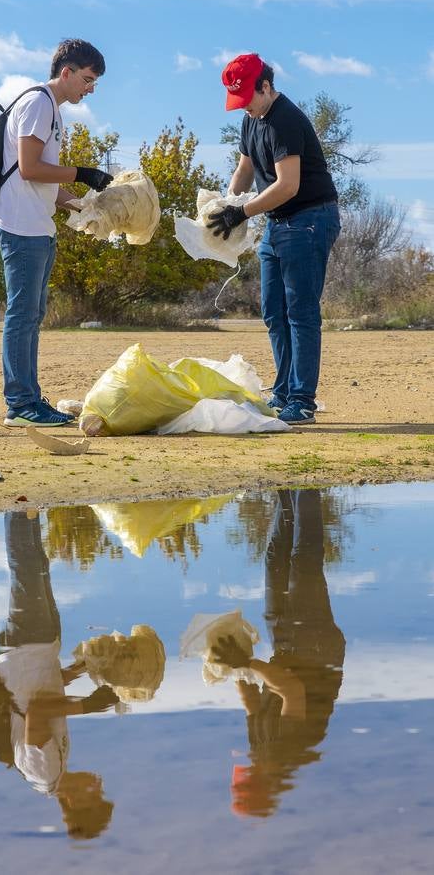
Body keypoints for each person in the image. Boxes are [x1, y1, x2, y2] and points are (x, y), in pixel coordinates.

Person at [0, 510, 117, 840]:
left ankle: (17, 503)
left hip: (24, 648)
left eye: (97, 795)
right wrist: (83, 669)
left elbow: (37, 712)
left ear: (76, 803)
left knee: (26, 569)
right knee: (38, 565)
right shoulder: (56, 768)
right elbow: (44, 694)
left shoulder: (43, 772)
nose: (98, 785)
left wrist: (88, 706)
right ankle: (27, 504)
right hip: (40, 648)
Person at [208, 53, 341, 425]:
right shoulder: (252, 120)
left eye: (247, 100)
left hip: (310, 218)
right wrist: (227, 204)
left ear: (265, 87)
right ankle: (283, 391)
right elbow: (244, 169)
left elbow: (288, 185)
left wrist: (243, 213)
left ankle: (302, 400)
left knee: (300, 312)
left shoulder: (285, 120)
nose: (244, 109)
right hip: (278, 222)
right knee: (273, 310)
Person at [0, 39, 113, 429]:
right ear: (66, 72)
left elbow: (45, 183)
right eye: (88, 79)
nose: (90, 88)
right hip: (20, 227)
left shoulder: (52, 111)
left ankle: (27, 397)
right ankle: (21, 404)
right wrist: (83, 172)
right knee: (23, 315)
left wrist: (85, 208)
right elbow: (28, 168)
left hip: (36, 226)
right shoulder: (39, 104)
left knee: (31, 315)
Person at [212, 489, 346, 817]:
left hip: (285, 648)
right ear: (265, 783)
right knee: (304, 562)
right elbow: (291, 690)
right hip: (315, 649)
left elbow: (252, 705)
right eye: (249, 777)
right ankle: (309, 484)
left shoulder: (261, 751)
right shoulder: (292, 751)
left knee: (274, 558)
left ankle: (286, 488)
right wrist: (248, 662)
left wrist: (231, 670)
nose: (249, 767)